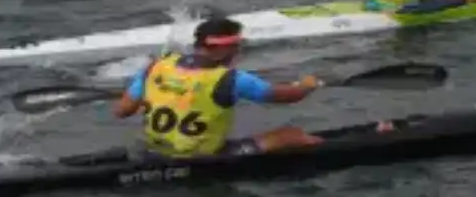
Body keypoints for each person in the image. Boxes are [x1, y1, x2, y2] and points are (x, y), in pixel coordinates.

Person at [114, 17, 322, 159]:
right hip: (204, 158)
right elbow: (289, 96)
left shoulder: (156, 66)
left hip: (152, 152)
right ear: (224, 48)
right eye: (237, 46)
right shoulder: (232, 79)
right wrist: (307, 85)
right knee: (291, 135)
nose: (239, 51)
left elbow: (121, 111)